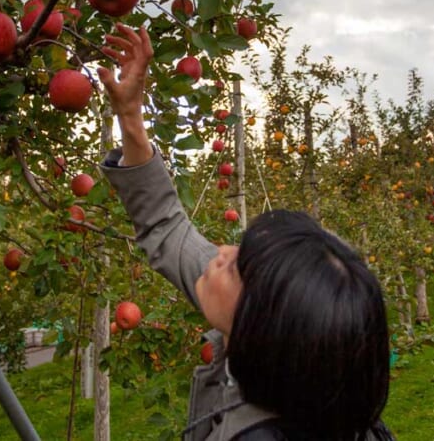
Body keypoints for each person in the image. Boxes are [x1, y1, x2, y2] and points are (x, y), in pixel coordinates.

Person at [97, 24, 394, 441]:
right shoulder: (287, 350)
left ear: (267, 326)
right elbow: (166, 226)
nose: (219, 252)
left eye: (239, 268)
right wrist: (130, 114)